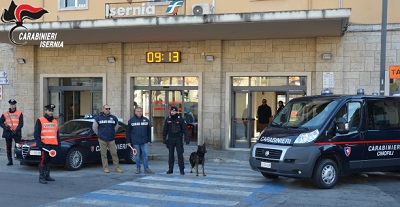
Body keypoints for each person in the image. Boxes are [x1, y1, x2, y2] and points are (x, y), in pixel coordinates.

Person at [92, 104, 123, 174]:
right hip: (102, 139)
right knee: (104, 154)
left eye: (109, 108)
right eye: (106, 109)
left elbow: (116, 127)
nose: (108, 110)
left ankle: (117, 168)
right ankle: (105, 168)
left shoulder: (114, 118)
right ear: (103, 109)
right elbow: (94, 128)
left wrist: (112, 133)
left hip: (111, 139)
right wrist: (99, 134)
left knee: (114, 153)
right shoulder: (98, 118)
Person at [34, 104, 60, 184]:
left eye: (52, 111)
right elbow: (36, 133)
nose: (51, 112)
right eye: (49, 110)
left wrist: (59, 143)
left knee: (49, 161)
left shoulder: (55, 121)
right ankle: (41, 177)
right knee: (43, 160)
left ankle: (47, 175)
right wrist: (39, 144)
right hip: (44, 144)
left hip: (53, 144)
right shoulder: (40, 120)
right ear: (45, 111)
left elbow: (57, 133)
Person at [126, 107, 154, 174]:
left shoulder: (146, 120)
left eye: (140, 111)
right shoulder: (131, 121)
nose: (139, 112)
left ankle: (146, 169)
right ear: (135, 112)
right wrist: (128, 141)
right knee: (137, 156)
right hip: (135, 142)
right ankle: (138, 168)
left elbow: (148, 131)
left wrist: (149, 140)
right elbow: (128, 132)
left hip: (144, 141)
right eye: (138, 111)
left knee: (145, 154)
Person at [163, 106, 190, 175]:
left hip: (178, 138)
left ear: (177, 112)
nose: (173, 112)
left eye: (174, 111)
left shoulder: (180, 119)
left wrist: (187, 138)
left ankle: (182, 170)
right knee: (171, 155)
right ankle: (170, 169)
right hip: (171, 138)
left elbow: (185, 129)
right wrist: (164, 137)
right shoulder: (168, 119)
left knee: (180, 154)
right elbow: (165, 129)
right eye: (172, 111)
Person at [0, 99, 24, 166]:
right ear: (10, 105)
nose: (12, 106)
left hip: (16, 132)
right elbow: (0, 122)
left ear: (15, 105)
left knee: (18, 147)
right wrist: (5, 127)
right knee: (8, 147)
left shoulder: (19, 113)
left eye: (13, 104)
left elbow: (21, 123)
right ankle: (9, 160)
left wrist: (16, 130)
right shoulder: (5, 114)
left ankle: (21, 160)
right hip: (8, 132)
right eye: (11, 104)